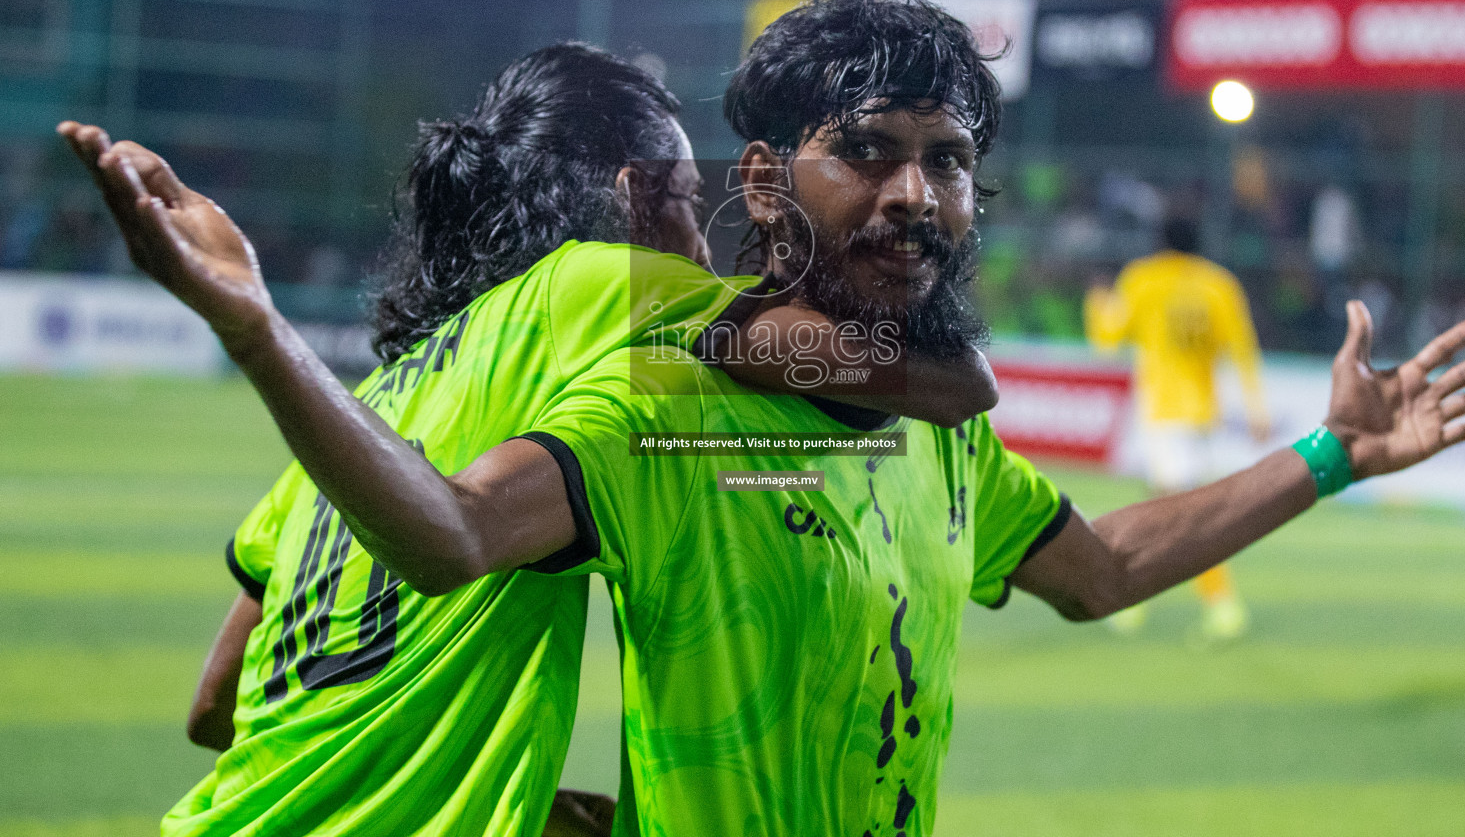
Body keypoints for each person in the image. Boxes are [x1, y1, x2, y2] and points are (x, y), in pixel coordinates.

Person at [71, 0, 1465, 837]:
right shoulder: (661, 381)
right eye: (868, 154)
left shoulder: (933, 426)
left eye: (949, 161)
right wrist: (252, 324)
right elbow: (459, 529)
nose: (918, 191)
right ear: (756, 185)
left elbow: (1106, 568)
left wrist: (1334, 453)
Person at [59, 42, 995, 837]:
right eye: (687, 196)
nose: (704, 249)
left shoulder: (374, 407)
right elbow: (923, 379)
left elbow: (215, 707)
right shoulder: (600, 289)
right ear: (638, 198)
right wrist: (969, 375)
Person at [1084, 216, 1270, 641]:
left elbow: (1108, 342)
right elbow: (1242, 349)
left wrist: (1096, 303)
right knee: (1162, 508)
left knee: (1181, 515)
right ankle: (1132, 598)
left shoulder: (1143, 279)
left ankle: (1222, 606)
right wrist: (1257, 409)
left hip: (1164, 413)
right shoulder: (1219, 284)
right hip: (1204, 416)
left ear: (1159, 240)